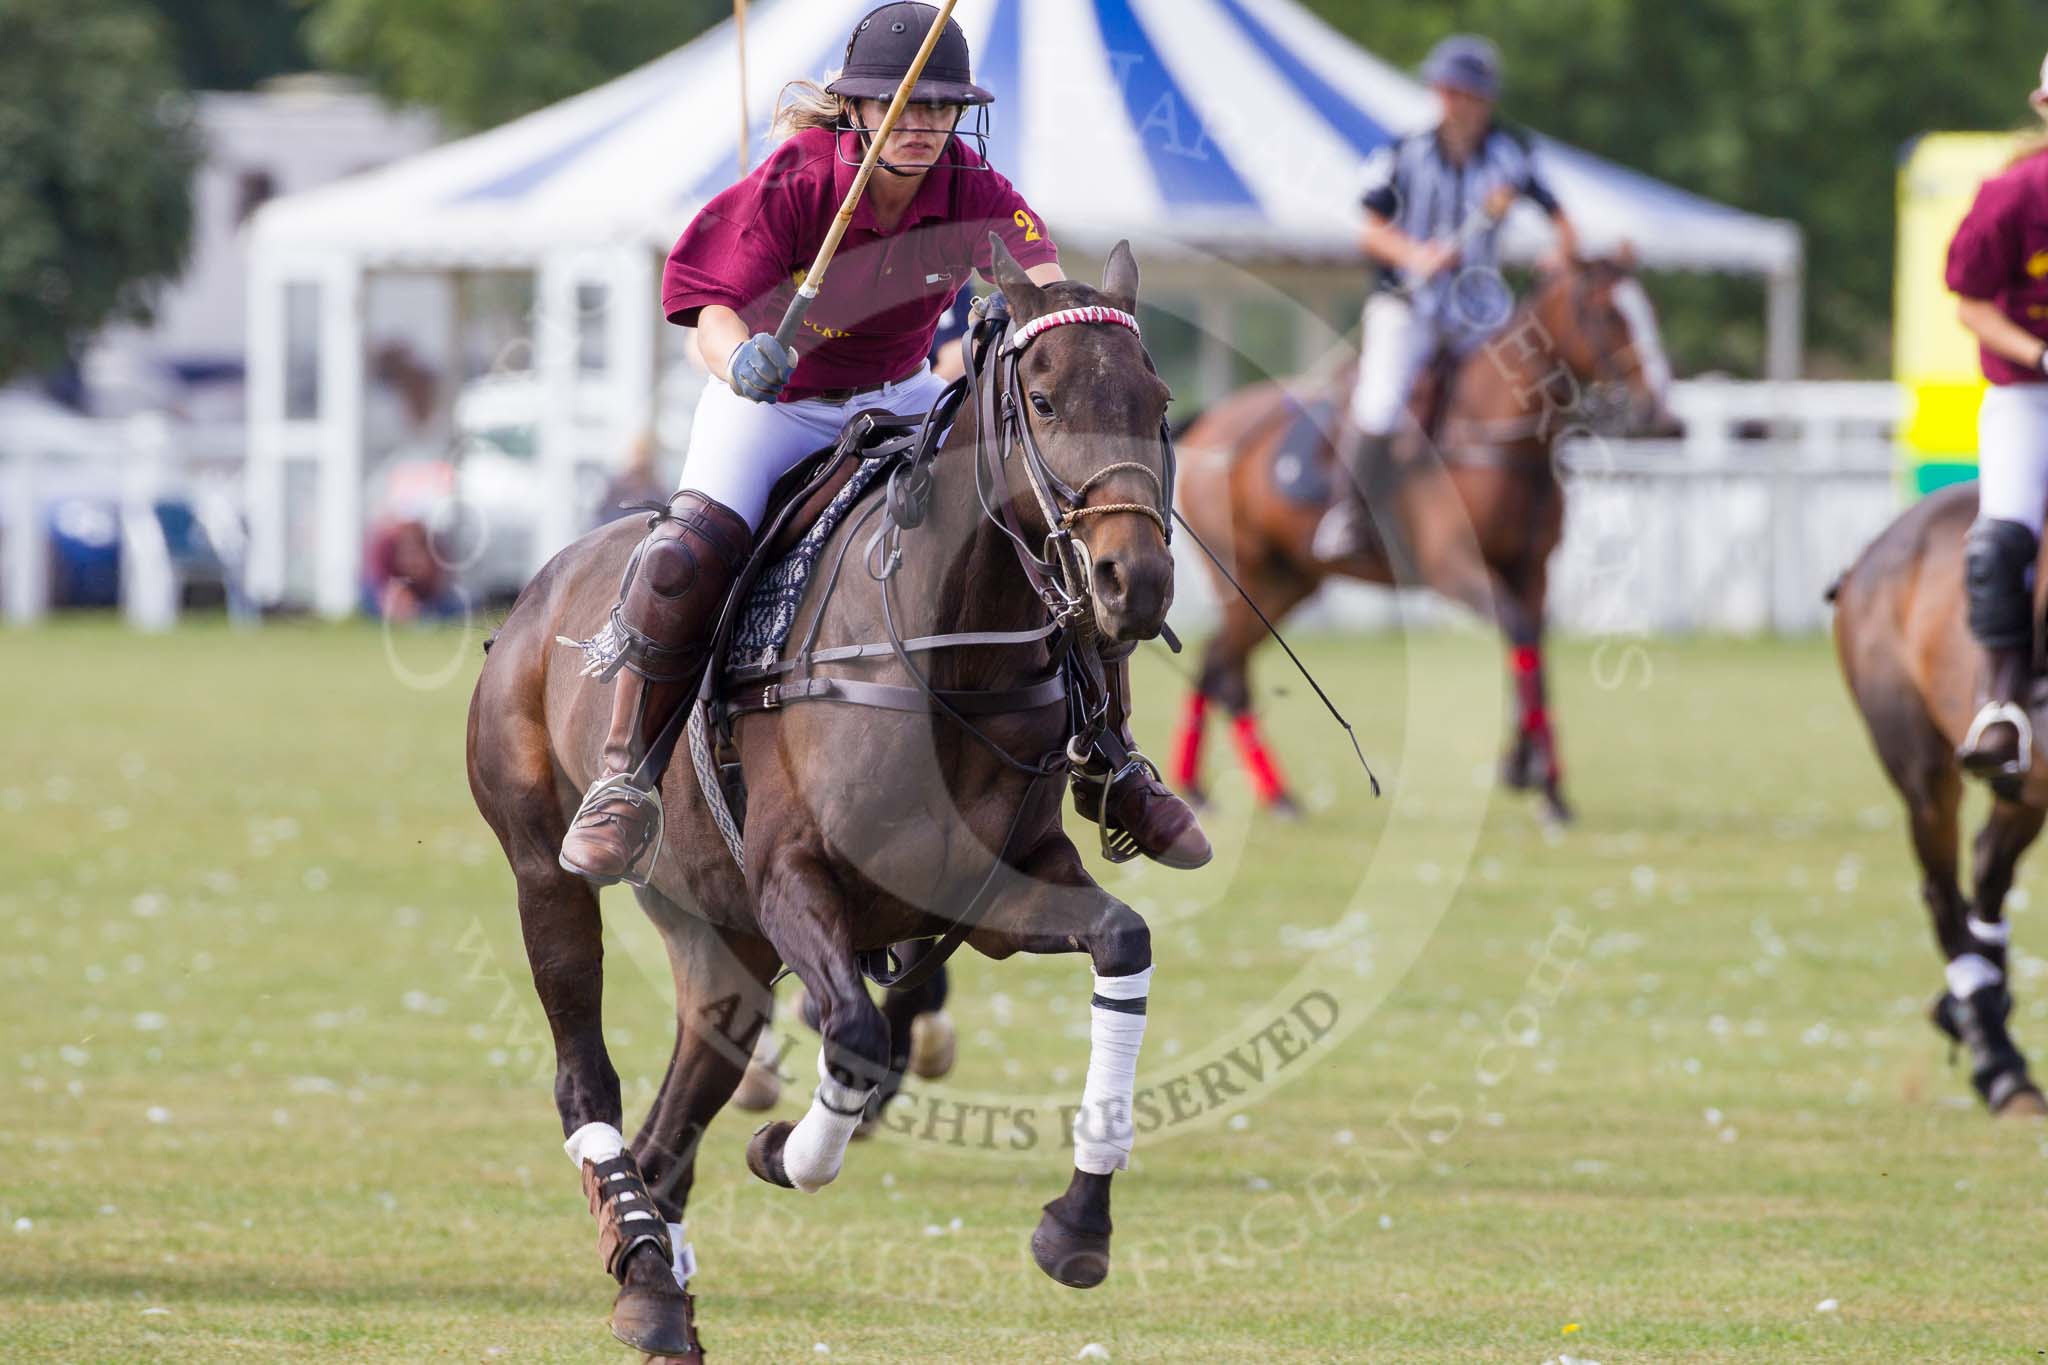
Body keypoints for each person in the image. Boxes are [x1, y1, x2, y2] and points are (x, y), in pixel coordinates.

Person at [558, 1, 1209, 884]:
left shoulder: (975, 191)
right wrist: (740, 356)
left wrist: (1080, 344)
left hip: (902, 394)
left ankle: (1111, 759)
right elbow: (707, 309)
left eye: (940, 108)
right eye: (902, 107)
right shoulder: (799, 181)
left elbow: (1047, 296)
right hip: (776, 403)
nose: (923, 125)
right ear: (857, 108)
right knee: (682, 556)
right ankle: (622, 777)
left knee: (1046, 530)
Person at [1314, 35, 1579, 564]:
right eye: (1447, 91)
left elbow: (1562, 219)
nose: (1453, 102)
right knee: (1381, 399)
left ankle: (1539, 494)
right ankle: (1347, 514)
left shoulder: (1511, 154)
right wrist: (1415, 254)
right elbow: (1369, 229)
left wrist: (1561, 254)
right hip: (1408, 303)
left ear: (1484, 99)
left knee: (1534, 379)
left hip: (1479, 308)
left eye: (1464, 93)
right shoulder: (1404, 153)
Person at [1947, 54, 2048, 781]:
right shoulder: (2013, 196)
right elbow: (1971, 305)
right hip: (2029, 396)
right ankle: (2001, 706)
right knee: (2002, 540)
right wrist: (2041, 356)